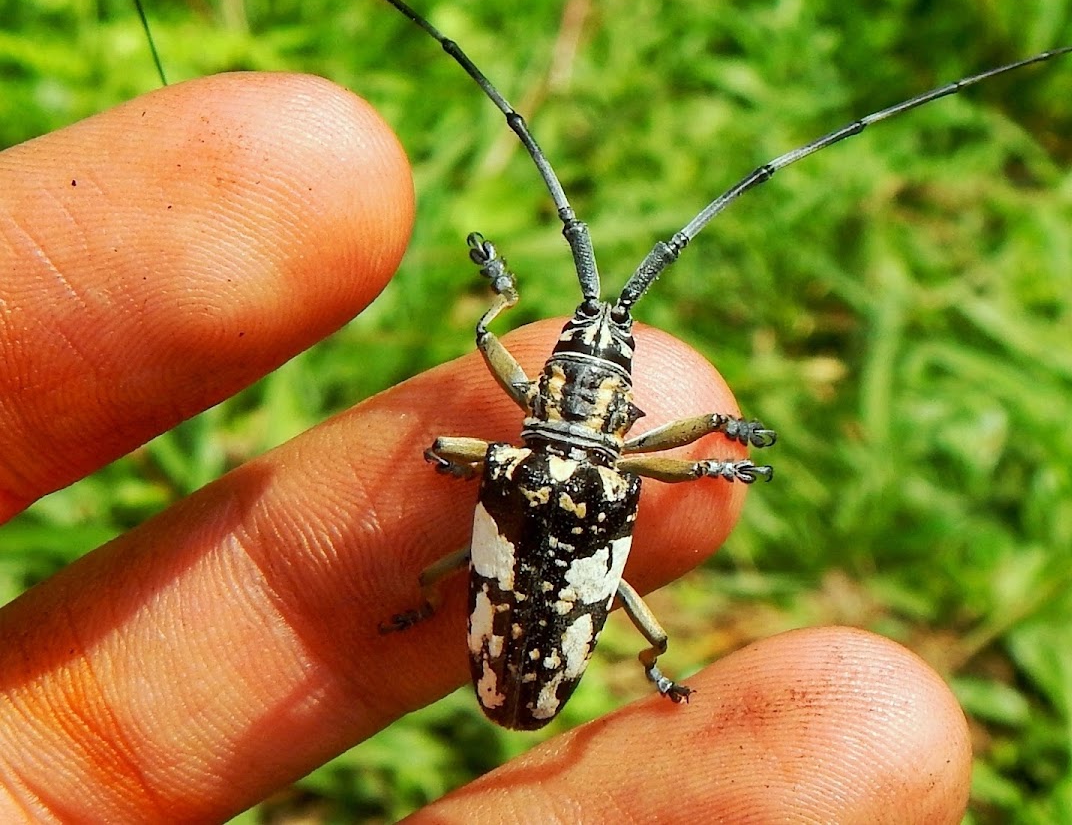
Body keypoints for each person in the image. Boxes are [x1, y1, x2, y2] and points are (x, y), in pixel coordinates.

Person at [0, 73, 970, 822]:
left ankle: (529, 613)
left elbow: (480, 395)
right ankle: (652, 656)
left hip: (518, 547)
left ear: (559, 386)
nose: (597, 350)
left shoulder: (523, 443)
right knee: (614, 585)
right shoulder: (617, 460)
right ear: (605, 391)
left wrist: (693, 445)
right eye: (597, 350)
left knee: (523, 563)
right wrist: (710, 452)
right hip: (556, 537)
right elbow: (597, 454)